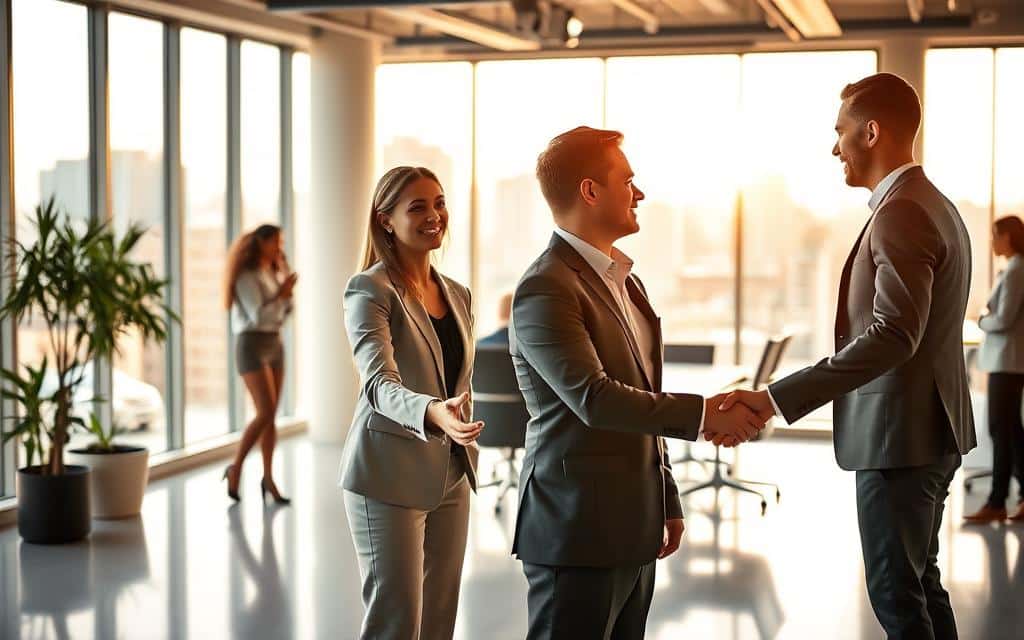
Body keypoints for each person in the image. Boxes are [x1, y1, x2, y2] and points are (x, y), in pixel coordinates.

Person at [722, 73, 977, 640]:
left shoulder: (901, 212)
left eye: (840, 132)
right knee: (920, 581)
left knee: (895, 592)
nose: (834, 146)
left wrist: (773, 398)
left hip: (901, 440)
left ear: (872, 131)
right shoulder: (936, 205)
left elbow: (893, 334)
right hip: (930, 432)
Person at [509, 126, 767, 640]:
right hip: (577, 528)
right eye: (627, 180)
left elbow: (643, 392)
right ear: (589, 191)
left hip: (634, 523)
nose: (639, 193)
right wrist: (705, 414)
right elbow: (594, 399)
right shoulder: (545, 287)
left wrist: (666, 496)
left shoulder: (628, 281)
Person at [340, 166, 483, 640]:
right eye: (417, 206)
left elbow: (457, 377)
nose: (434, 215)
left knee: (439, 620)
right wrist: (431, 411)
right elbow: (378, 384)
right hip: (387, 472)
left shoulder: (458, 294)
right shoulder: (370, 290)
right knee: (396, 623)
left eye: (439, 203)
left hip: (451, 472)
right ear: (386, 220)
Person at [222, 224, 297, 504]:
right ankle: (236, 467)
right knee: (264, 411)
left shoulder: (272, 272)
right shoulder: (245, 275)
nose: (280, 247)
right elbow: (257, 315)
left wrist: (286, 292)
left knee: (271, 415)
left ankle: (268, 478)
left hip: (274, 342)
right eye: (276, 242)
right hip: (251, 344)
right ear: (262, 243)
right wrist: (281, 295)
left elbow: (283, 313)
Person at [966, 215, 1024, 523]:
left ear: (1009, 238)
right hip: (1007, 361)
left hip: (1008, 362)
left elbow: (1003, 319)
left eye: (995, 235)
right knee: (1011, 431)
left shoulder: (1016, 271)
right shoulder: (1013, 269)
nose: (992, 241)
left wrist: (981, 320)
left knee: (1001, 430)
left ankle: (997, 502)